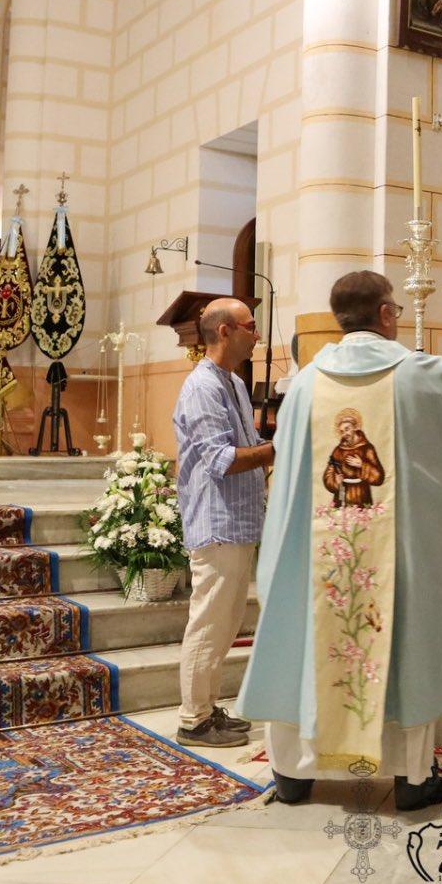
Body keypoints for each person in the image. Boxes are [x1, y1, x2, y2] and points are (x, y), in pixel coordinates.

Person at [236, 271, 442, 810]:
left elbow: (287, 475)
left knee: (310, 642)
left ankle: (293, 774)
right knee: (399, 644)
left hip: (317, 557)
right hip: (391, 556)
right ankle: (410, 778)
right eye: (396, 308)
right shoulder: (415, 374)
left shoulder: (306, 382)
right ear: (384, 315)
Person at [172, 297, 275, 748]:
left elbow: (247, 448)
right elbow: (220, 460)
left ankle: (208, 706)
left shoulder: (230, 382)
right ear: (226, 331)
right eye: (251, 326)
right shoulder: (202, 387)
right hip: (217, 522)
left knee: (225, 623)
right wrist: (280, 445)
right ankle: (193, 720)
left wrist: (267, 448)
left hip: (238, 519)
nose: (258, 335)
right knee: (210, 622)